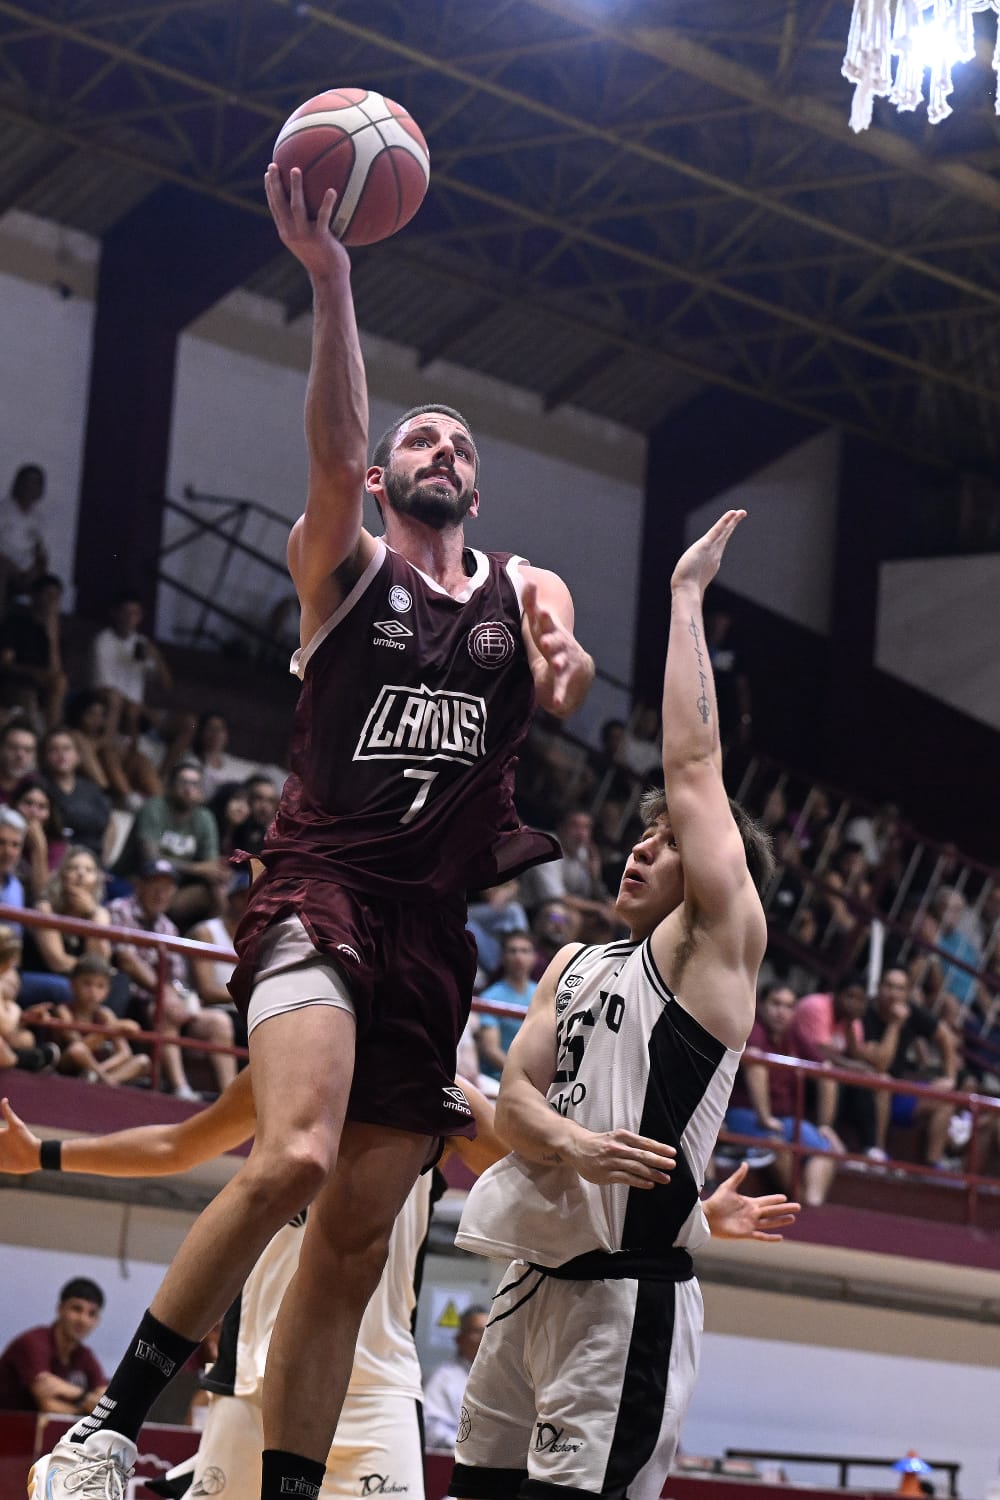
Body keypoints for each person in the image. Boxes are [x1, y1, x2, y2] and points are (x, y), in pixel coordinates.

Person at [33, 159, 595, 1500]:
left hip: (432, 931)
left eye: (462, 447)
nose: (443, 452)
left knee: (350, 1247)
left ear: (479, 492)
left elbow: (565, 669)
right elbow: (335, 452)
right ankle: (107, 1430)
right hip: (320, 886)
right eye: (423, 441)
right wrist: (333, 279)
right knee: (289, 1154)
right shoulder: (339, 561)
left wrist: (564, 659)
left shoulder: (523, 587)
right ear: (386, 476)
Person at [0, 1081, 798, 1499]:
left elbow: (553, 1184)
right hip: (253, 1380)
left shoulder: (443, 1094)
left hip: (374, 1385)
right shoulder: (293, 1062)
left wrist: (692, 1218)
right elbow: (179, 1144)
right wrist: (43, 1156)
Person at [450, 511, 778, 1500]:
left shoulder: (713, 951)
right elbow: (515, 1101)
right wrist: (573, 1142)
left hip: (625, 1301)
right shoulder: (574, 960)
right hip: (524, 1287)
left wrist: (685, 596)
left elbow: (693, 768)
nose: (642, 845)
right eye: (642, 835)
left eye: (669, 841)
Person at [108, 859, 236, 1099]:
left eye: (167, 888)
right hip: (128, 998)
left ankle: (229, 1098)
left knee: (219, 1022)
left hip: (167, 1001)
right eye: (155, 886)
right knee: (166, 1007)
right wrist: (165, 992)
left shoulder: (168, 927)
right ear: (140, 886)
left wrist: (181, 998)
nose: (161, 894)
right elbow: (125, 959)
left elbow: (178, 977)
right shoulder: (120, 909)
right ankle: (180, 1087)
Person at [724, 982, 841, 1207]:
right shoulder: (753, 1027)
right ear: (761, 1005)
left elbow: (825, 1070)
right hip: (743, 1114)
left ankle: (812, 1206)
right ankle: (800, 1203)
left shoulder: (793, 1031)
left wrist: (826, 1125)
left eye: (788, 1006)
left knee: (824, 1149)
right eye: (775, 1004)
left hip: (786, 1120)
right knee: (777, 1146)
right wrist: (765, 1118)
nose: (781, 1012)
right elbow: (755, 1061)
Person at [0, 1277, 106, 1414]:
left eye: (91, 1314)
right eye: (76, 1309)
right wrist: (87, 1403)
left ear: (97, 1320)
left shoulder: (84, 1355)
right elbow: (49, 1406)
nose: (83, 1320)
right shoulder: (34, 1343)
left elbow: (106, 1403)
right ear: (60, 1309)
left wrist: (73, 1392)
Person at [50, 954, 150, 1086]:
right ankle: (106, 1080)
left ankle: (106, 1080)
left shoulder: (105, 1014)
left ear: (108, 991)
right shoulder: (64, 1011)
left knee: (143, 1061)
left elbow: (125, 1053)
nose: (93, 991)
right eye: (87, 984)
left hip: (96, 1070)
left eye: (100, 986)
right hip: (69, 1065)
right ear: (72, 985)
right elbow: (77, 1045)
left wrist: (100, 1070)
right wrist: (108, 1030)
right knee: (77, 1050)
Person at [423, 1307, 490, 1454]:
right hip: (453, 1459)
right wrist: (470, 1449)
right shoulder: (443, 1379)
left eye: (489, 1332)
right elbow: (431, 1428)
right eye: (478, 1332)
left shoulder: (497, 1379)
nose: (485, 1338)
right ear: (459, 1338)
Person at [476, 931, 537, 1081]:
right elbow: (490, 1050)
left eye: (524, 951)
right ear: (502, 958)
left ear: (534, 958)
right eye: (512, 951)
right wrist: (524, 1078)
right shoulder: (490, 997)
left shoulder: (541, 993)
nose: (518, 956)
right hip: (497, 1078)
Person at [0, 463, 49, 606]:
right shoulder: (4, 510)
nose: (30, 487)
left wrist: (37, 567)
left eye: (36, 483)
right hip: (4, 566)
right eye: (27, 482)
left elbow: (40, 550)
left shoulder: (39, 518)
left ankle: (42, 620)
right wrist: (10, 567)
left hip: (25, 572)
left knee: (51, 586)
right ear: (18, 484)